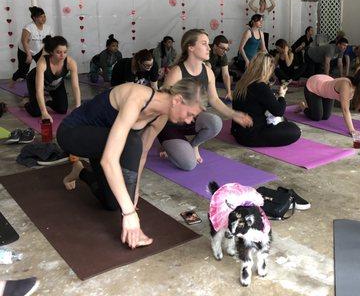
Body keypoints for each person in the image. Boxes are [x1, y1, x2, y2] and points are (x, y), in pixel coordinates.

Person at [57, 79, 206, 249]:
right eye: (190, 114)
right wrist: (129, 213)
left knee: (112, 204)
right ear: (177, 100)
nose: (189, 121)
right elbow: (110, 159)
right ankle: (130, 224)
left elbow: (141, 155)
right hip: (73, 133)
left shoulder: (161, 117)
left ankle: (80, 171)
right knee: (132, 142)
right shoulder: (137, 97)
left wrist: (133, 191)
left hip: (103, 145)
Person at [161, 29, 252, 171]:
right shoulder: (177, 72)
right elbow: (163, 105)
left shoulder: (208, 72)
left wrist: (233, 114)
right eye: (204, 44)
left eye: (208, 44)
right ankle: (170, 145)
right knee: (189, 165)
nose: (209, 48)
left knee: (215, 122)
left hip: (191, 121)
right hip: (171, 124)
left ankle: (193, 145)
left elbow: (214, 99)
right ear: (190, 47)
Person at [231, 52, 301, 147]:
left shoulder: (241, 83)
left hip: (237, 132)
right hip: (251, 135)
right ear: (267, 70)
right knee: (295, 130)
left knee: (283, 121)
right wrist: (281, 95)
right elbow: (279, 111)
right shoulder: (260, 86)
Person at [300, 65, 360, 137]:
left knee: (325, 117)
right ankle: (303, 107)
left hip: (326, 87)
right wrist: (352, 130)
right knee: (317, 117)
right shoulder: (346, 85)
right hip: (314, 85)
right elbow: (345, 109)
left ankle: (313, 104)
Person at [24, 36, 81, 120]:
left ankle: (46, 101)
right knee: (36, 112)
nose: (62, 55)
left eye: (65, 52)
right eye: (58, 52)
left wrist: (78, 106)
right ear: (51, 52)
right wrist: (44, 113)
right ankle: (27, 102)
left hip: (56, 84)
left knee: (62, 109)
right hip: (34, 80)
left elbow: (75, 86)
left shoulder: (71, 63)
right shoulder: (42, 63)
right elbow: (39, 90)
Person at [12, 7, 53, 82]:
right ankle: (13, 80)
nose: (43, 19)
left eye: (44, 16)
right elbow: (24, 41)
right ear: (34, 18)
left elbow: (47, 42)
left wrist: (44, 54)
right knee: (23, 70)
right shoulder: (29, 27)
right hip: (25, 50)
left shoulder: (48, 28)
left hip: (39, 50)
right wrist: (29, 55)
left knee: (44, 67)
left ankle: (46, 86)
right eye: (40, 17)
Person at [207, 35, 232, 101]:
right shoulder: (206, 50)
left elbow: (226, 74)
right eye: (222, 48)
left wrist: (229, 92)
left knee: (219, 71)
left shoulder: (223, 55)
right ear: (215, 46)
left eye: (226, 49)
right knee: (208, 65)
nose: (225, 51)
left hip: (213, 72)